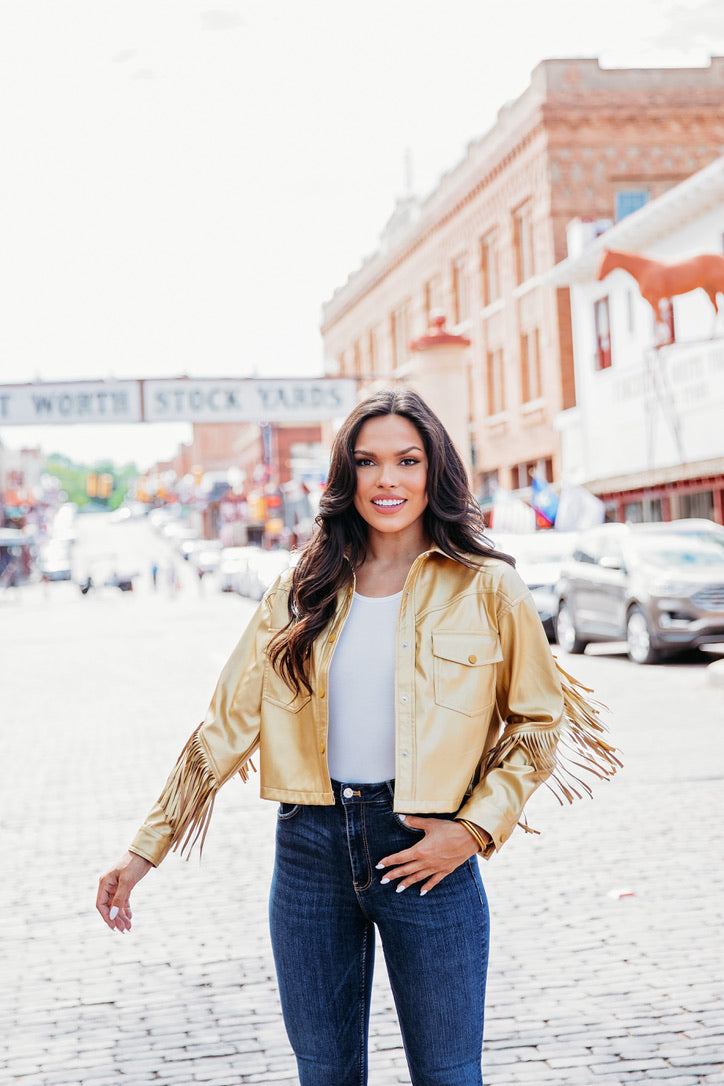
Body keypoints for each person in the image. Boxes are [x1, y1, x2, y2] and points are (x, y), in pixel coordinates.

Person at [97, 388, 619, 1086]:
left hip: (428, 847)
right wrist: (142, 853)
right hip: (309, 852)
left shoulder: (488, 587)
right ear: (346, 477)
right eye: (368, 462)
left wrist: (472, 831)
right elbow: (224, 727)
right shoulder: (299, 590)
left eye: (407, 459)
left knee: (449, 1075)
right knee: (326, 1075)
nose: (387, 479)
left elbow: (538, 725)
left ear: (435, 469)